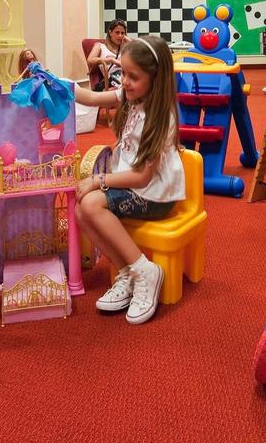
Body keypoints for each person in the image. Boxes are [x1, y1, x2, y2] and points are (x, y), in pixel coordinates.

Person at [73, 35, 185, 325]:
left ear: (155, 79)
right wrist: (61, 86)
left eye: (133, 76)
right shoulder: (130, 94)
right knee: (81, 208)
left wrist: (99, 181)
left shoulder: (160, 118)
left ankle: (144, 270)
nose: (124, 81)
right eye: (122, 73)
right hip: (136, 187)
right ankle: (127, 272)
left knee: (92, 203)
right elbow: (92, 98)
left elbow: (142, 176)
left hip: (155, 195)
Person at [87, 18, 130, 91]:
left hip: (127, 76)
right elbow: (90, 60)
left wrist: (130, 41)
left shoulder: (125, 48)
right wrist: (112, 60)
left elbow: (142, 56)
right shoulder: (100, 46)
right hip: (112, 80)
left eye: (122, 33)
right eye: (117, 32)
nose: (120, 36)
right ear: (110, 32)